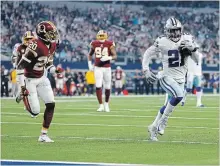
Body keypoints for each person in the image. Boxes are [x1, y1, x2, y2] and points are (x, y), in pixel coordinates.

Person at [142, 17, 199, 141]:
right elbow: (147, 53)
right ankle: (163, 122)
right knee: (178, 96)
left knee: (169, 104)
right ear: (166, 31)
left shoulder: (187, 39)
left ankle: (153, 127)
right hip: (166, 76)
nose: (175, 33)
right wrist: (146, 69)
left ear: (181, 29)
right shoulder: (162, 41)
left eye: (177, 30)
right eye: (172, 31)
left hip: (180, 78)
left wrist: (193, 49)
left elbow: (197, 61)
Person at [16, 21, 62, 142]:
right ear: (42, 33)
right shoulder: (35, 45)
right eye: (50, 33)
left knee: (51, 104)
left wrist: (55, 70)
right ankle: (22, 95)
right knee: (35, 112)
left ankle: (43, 135)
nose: (53, 35)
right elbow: (20, 66)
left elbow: (48, 64)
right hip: (30, 79)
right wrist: (22, 86)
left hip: (42, 78)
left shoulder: (51, 45)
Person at [87, 30, 117, 112]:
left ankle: (106, 104)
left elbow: (115, 56)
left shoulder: (110, 43)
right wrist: (89, 64)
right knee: (98, 85)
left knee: (107, 86)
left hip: (107, 67)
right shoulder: (94, 43)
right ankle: (101, 105)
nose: (101, 37)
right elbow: (90, 54)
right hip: (98, 67)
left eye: (102, 35)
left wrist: (109, 58)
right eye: (100, 35)